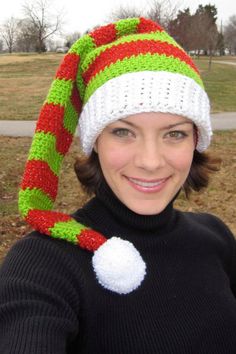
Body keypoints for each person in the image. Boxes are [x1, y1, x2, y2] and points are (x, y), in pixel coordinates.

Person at [0, 16, 236, 354]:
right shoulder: (41, 267)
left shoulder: (217, 239)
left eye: (175, 133)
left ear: (195, 141)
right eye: (123, 132)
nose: (151, 161)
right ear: (96, 141)